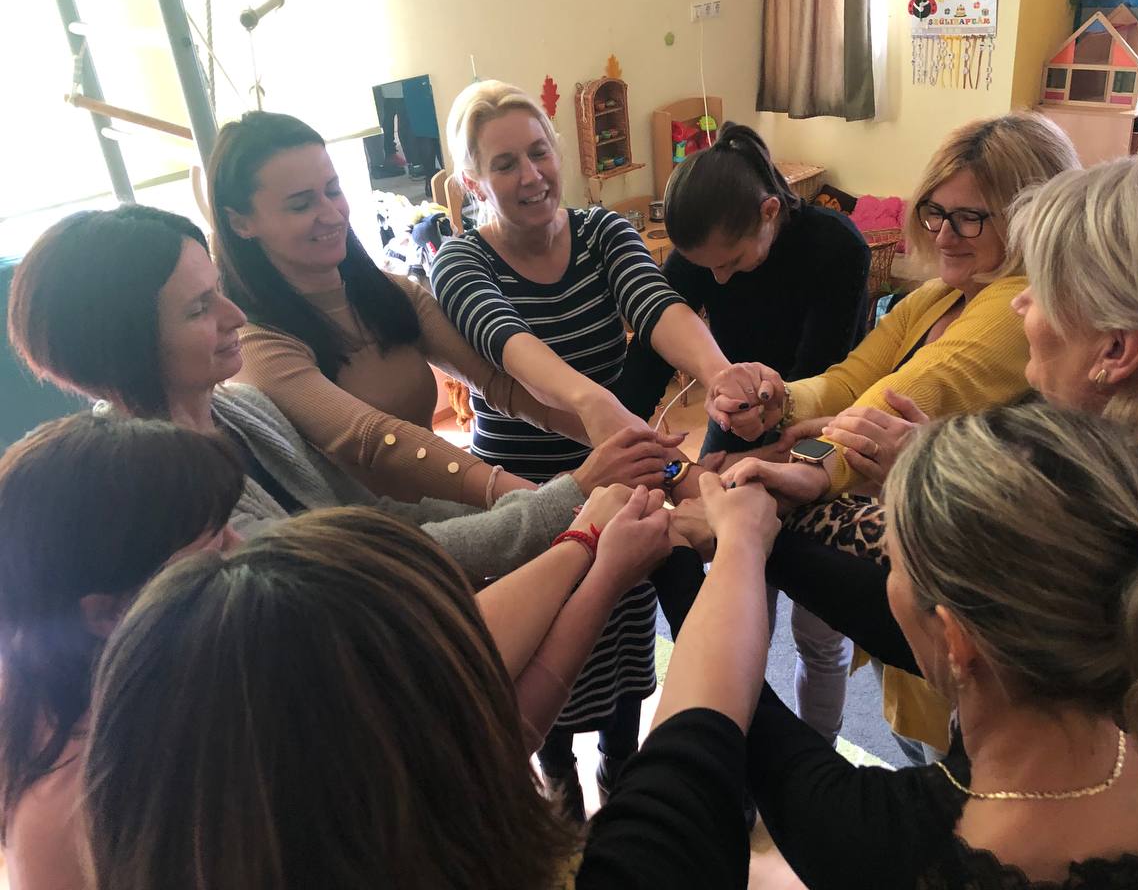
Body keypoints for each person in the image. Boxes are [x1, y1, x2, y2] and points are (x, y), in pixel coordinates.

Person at [747, 140, 1138, 885]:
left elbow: (921, 584)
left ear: (1116, 350)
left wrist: (753, 524)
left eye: (1042, 289)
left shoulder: (1093, 500)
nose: (1019, 304)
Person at [660, 402, 1138, 889]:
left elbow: (729, 714)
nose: (883, 581)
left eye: (890, 562)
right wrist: (754, 541)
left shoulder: (883, 840)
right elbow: (896, 612)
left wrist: (685, 558)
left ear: (954, 638)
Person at [84, 477, 779, 890]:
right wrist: (742, 538)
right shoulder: (638, 867)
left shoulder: (208, 816)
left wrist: (596, 560)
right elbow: (702, 718)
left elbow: (499, 727)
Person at [7, 204, 661, 581]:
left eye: (218, 293)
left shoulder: (244, 410)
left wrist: (573, 466)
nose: (232, 317)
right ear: (124, 344)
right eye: (199, 308)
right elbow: (361, 566)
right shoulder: (156, 495)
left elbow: (377, 516)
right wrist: (562, 500)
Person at [719, 112, 1081, 752]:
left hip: (972, 609)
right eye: (935, 212)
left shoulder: (1016, 304)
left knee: (951, 758)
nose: (943, 234)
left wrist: (811, 465)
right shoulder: (944, 294)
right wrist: (780, 398)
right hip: (917, 586)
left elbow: (906, 395)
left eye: (970, 218)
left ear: (1029, 217)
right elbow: (855, 376)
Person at [430, 79, 746, 807]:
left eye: (538, 152)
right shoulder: (460, 262)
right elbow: (510, 346)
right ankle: (561, 783)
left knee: (623, 645)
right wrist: (595, 406)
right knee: (548, 644)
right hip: (529, 495)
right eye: (504, 164)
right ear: (474, 182)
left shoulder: (603, 232)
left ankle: (617, 766)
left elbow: (655, 304)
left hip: (622, 473)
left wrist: (720, 373)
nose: (530, 175)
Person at [209, 110, 680, 506]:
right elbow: (374, 438)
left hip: (456, 512)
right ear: (241, 223)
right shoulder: (257, 344)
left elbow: (498, 383)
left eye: (332, 189)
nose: (331, 214)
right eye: (300, 205)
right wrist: (549, 499)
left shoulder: (388, 293)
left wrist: (648, 452)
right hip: (382, 549)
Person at [0, 413, 244, 890]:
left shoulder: (172, 672)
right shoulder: (73, 813)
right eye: (218, 548)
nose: (244, 547)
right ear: (108, 614)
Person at [615, 122, 871, 460]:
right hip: (736, 408)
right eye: (706, 267)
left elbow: (819, 376)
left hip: (816, 409)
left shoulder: (837, 247)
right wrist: (620, 433)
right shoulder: (704, 249)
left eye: (731, 262)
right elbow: (652, 353)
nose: (719, 279)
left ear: (769, 211)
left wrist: (751, 454)